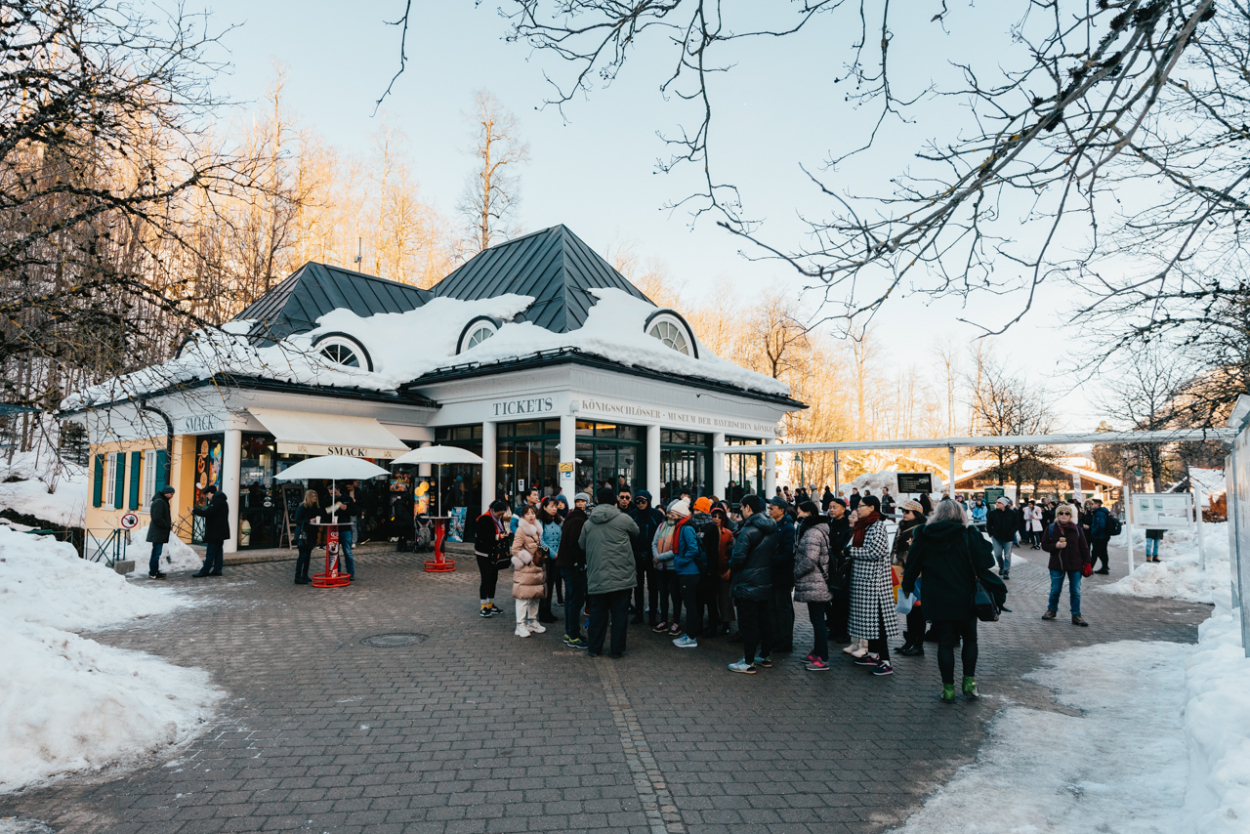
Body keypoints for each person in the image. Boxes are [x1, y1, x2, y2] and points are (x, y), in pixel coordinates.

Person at [902, 499, 1007, 703]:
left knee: (945, 643)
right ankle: (969, 682)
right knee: (970, 640)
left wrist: (907, 588)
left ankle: (948, 688)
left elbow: (912, 566)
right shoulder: (969, 535)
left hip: (937, 598)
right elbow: (987, 562)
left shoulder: (924, 535)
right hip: (966, 598)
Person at [579, 486, 640, 658]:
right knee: (619, 615)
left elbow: (581, 544)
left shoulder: (588, 523)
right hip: (622, 577)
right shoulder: (623, 519)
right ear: (614, 501)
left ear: (596, 501)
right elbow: (636, 532)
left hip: (597, 576)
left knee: (598, 614)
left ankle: (594, 648)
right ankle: (616, 650)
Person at [847, 495, 898, 676]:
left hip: (874, 583)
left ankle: (885, 661)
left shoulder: (877, 526)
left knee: (878, 622)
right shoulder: (866, 525)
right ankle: (873, 654)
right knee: (870, 622)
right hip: (864, 582)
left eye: (861, 506)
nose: (858, 509)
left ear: (871, 508)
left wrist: (850, 551)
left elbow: (875, 551)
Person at [726, 495, 777, 673]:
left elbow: (738, 557)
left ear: (748, 508)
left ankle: (748, 662)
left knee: (748, 624)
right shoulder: (772, 528)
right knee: (764, 620)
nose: (740, 510)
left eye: (741, 507)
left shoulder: (747, 530)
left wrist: (731, 564)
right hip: (764, 581)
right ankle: (765, 655)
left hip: (747, 583)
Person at [793, 501, 832, 671]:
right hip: (816, 582)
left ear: (809, 513)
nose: (798, 515)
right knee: (816, 620)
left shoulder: (813, 533)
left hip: (816, 583)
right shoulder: (816, 530)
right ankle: (817, 652)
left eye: (800, 512)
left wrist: (795, 572)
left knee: (818, 621)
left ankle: (822, 658)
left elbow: (810, 559)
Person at [1041, 503, 1091, 626]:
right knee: (1055, 589)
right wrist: (1055, 546)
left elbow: (1084, 547)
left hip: (1075, 565)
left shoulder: (1077, 529)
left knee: (1075, 591)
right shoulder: (1051, 528)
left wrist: (1087, 563)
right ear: (1057, 515)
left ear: (1070, 515)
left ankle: (1076, 615)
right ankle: (1051, 610)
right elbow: (1044, 545)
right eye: (1061, 513)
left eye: (1067, 513)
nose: (1064, 515)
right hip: (1057, 564)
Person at [666, 499, 703, 648]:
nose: (671, 517)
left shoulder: (685, 528)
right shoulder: (683, 526)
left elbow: (693, 549)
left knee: (690, 605)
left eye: (673, 514)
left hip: (688, 571)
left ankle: (691, 636)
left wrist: (681, 561)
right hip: (687, 570)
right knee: (690, 605)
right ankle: (690, 634)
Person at [892, 500, 928, 656]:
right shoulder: (903, 528)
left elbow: (916, 556)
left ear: (916, 514)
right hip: (904, 575)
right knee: (909, 609)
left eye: (908, 511)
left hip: (917, 577)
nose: (904, 514)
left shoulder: (920, 531)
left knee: (918, 612)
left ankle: (918, 644)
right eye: (903, 511)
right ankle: (909, 641)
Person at [556, 493, 591, 646]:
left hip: (567, 565)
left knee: (571, 600)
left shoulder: (572, 518)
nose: (582, 503)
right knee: (575, 601)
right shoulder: (578, 520)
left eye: (584, 501)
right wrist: (581, 562)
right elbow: (576, 543)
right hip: (573, 567)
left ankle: (570, 633)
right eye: (579, 501)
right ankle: (573, 635)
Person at [510, 505, 547, 637]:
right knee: (523, 598)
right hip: (525, 571)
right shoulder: (521, 530)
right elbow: (515, 549)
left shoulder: (537, 530)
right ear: (523, 516)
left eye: (533, 513)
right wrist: (528, 560)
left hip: (536, 571)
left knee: (535, 597)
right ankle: (520, 625)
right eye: (528, 513)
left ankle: (532, 621)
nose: (531, 516)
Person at [651, 501, 687, 637]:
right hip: (660, 567)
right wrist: (656, 556)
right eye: (669, 512)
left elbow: (676, 549)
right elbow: (654, 542)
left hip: (672, 567)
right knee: (663, 595)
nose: (670, 515)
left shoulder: (679, 528)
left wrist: (659, 557)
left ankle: (676, 621)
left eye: (673, 513)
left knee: (675, 595)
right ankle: (664, 621)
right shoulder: (661, 526)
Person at [628, 490, 664, 625]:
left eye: (643, 501)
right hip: (636, 555)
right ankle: (639, 613)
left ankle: (653, 615)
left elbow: (661, 535)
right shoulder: (632, 515)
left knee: (653, 586)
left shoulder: (657, 515)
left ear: (648, 501)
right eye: (637, 501)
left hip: (652, 556)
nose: (640, 504)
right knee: (637, 586)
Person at [766, 496, 796, 653]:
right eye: (769, 507)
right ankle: (775, 638)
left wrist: (770, 560)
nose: (769, 509)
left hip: (782, 575)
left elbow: (788, 553)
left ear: (782, 510)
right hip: (772, 574)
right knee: (772, 608)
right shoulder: (773, 525)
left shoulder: (788, 528)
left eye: (772, 507)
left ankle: (785, 641)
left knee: (782, 608)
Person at [473, 500, 510, 617]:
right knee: (486, 579)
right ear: (493, 510)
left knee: (493, 578)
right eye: (499, 514)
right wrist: (498, 536)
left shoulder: (498, 519)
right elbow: (482, 536)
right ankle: (483, 606)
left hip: (494, 554)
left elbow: (498, 532)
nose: (501, 516)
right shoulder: (485, 519)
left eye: (502, 514)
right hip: (483, 554)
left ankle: (490, 604)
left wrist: (503, 534)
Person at [826, 498, 853, 645]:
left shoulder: (848, 524)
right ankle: (835, 628)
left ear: (843, 508)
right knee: (834, 598)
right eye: (830, 507)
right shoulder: (829, 523)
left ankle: (844, 631)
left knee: (843, 599)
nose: (831, 510)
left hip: (844, 567)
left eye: (834, 507)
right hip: (832, 565)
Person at [709, 506, 736, 635]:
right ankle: (714, 620)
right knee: (712, 598)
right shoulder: (708, 531)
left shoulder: (728, 533)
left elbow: (732, 551)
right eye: (714, 516)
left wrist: (728, 565)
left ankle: (726, 622)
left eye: (720, 517)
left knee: (725, 599)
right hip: (711, 570)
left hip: (723, 568)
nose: (716, 519)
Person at [192, 485, 229, 578]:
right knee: (218, 551)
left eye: (207, 495)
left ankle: (205, 571)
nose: (207, 497)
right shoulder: (222, 501)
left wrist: (194, 511)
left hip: (215, 531)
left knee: (211, 551)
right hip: (220, 531)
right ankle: (217, 570)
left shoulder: (217, 501)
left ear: (211, 493)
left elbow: (208, 513)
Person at [537, 497, 563, 623]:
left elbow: (561, 538)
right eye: (551, 506)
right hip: (545, 557)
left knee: (551, 584)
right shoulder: (540, 521)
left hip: (556, 558)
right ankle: (542, 612)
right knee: (544, 585)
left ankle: (548, 611)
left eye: (555, 506)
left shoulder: (558, 521)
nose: (554, 509)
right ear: (545, 507)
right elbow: (540, 541)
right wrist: (553, 554)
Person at [325, 483, 358, 579]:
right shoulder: (328, 500)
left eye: (334, 493)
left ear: (338, 490)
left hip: (345, 528)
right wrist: (332, 509)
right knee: (334, 553)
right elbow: (324, 513)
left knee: (347, 552)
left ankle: (351, 573)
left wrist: (346, 508)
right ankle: (336, 572)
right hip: (333, 529)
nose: (332, 495)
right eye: (331, 493)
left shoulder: (347, 499)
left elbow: (355, 511)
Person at [293, 489, 325, 585]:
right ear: (308, 497)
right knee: (302, 555)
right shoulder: (302, 507)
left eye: (316, 496)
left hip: (312, 534)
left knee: (308, 556)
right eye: (313, 496)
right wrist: (308, 521)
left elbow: (322, 514)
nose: (315, 498)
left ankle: (305, 575)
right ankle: (298, 576)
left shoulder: (316, 507)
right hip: (303, 534)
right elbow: (297, 520)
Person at [145, 485, 175, 579]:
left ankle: (155, 571)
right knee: (156, 553)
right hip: (158, 532)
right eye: (171, 494)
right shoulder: (159, 502)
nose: (172, 496)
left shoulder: (162, 501)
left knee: (156, 553)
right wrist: (165, 525)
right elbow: (157, 517)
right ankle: (153, 573)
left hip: (159, 532)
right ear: (166, 493)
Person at [985, 497, 1016, 580]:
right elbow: (988, 524)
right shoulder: (993, 513)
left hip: (1008, 537)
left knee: (1007, 555)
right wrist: (991, 534)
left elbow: (1016, 524)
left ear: (1004, 504)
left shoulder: (1012, 513)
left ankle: (1006, 571)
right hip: (996, 537)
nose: (997, 504)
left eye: (999, 503)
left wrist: (1011, 532)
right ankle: (1001, 566)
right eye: (997, 503)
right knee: (998, 554)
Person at [1086, 498, 1113, 574]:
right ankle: (1104, 568)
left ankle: (1089, 569)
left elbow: (1101, 525)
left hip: (1100, 536)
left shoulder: (1099, 513)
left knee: (1095, 552)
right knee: (1103, 552)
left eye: (1092, 504)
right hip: (1103, 535)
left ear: (1097, 504)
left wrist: (1094, 532)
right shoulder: (1101, 512)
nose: (1091, 505)